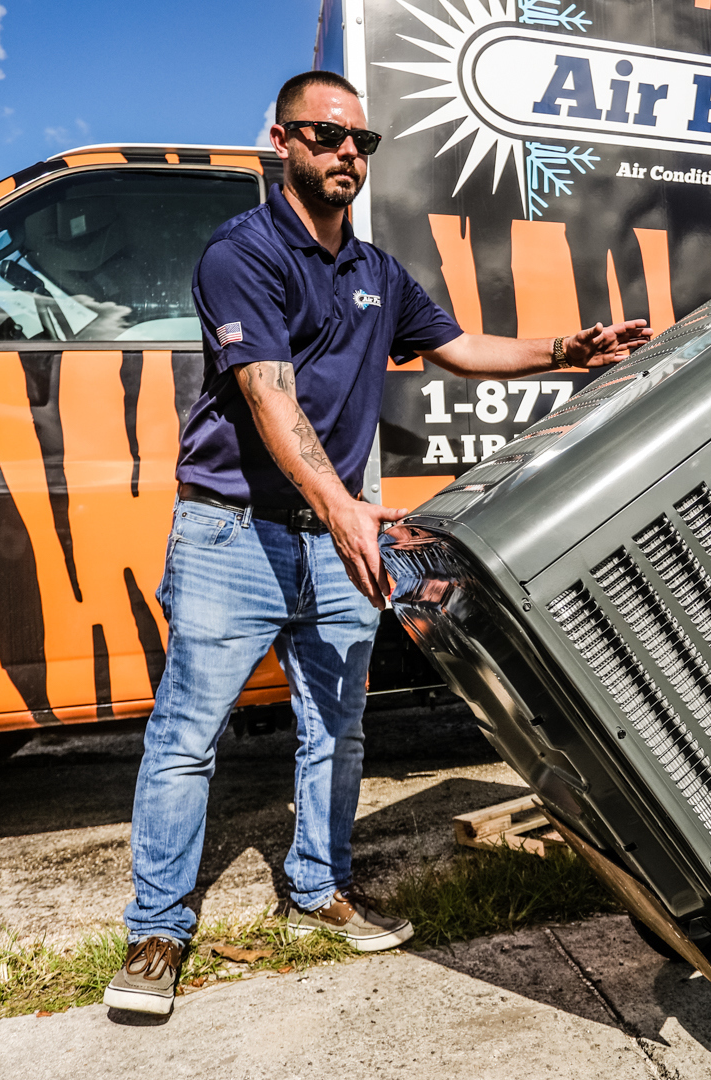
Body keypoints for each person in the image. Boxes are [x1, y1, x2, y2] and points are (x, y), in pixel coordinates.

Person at [105, 70, 652, 1015]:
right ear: (283, 141)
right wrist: (344, 504)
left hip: (332, 539)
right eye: (326, 136)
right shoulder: (243, 253)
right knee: (186, 737)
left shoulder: (376, 273)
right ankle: (157, 930)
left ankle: (318, 891)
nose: (347, 153)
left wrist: (566, 352)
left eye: (361, 141)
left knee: (337, 729)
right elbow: (266, 394)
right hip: (231, 532)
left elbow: (460, 348)